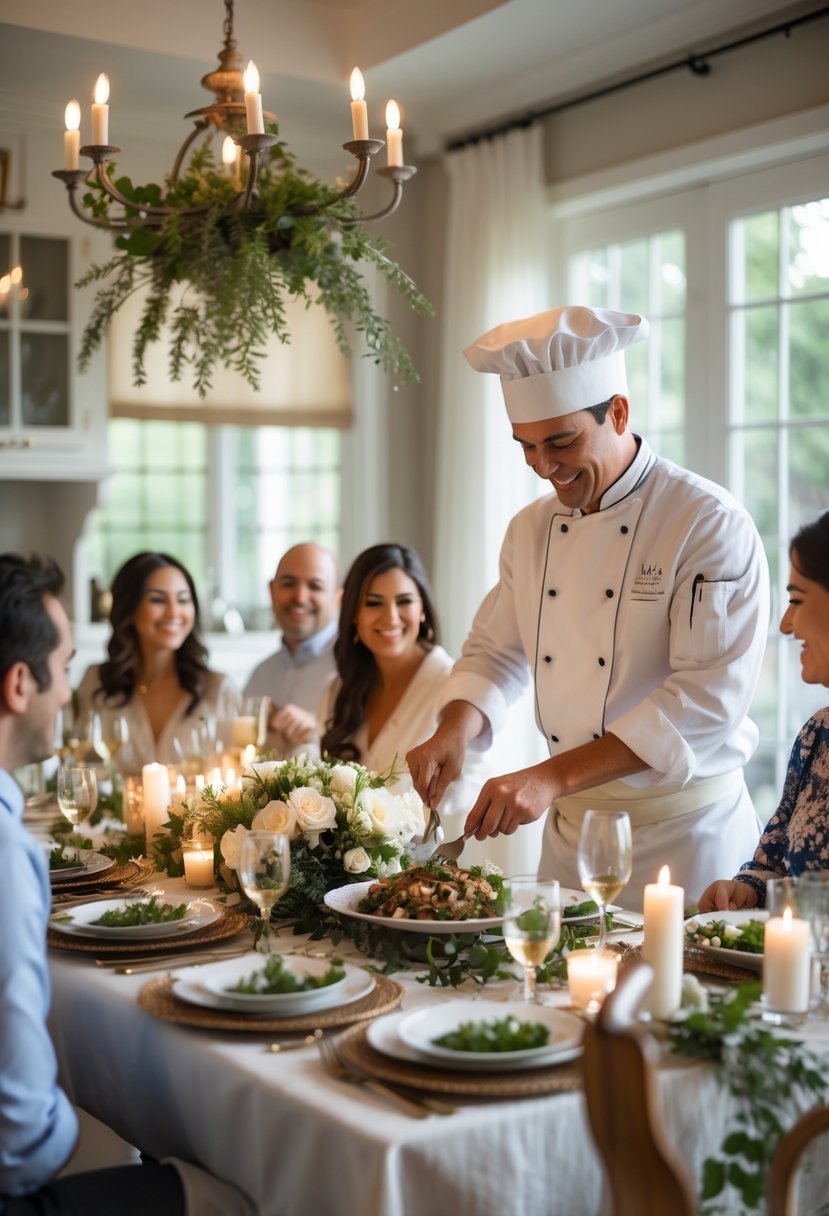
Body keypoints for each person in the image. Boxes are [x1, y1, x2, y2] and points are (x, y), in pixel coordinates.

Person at [407, 305, 770, 909]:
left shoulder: (706, 522)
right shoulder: (530, 529)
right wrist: (453, 730)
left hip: (687, 845)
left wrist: (550, 776)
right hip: (571, 843)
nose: (545, 468)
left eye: (562, 442)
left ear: (618, 413)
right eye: (526, 447)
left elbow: (706, 698)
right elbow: (496, 651)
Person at [0, 553, 253, 1214]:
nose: (65, 693)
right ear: (20, 685)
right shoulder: (6, 853)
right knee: (236, 1197)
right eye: (60, 669)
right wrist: (77, 1138)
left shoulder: (218, 687)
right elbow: (24, 1144)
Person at [699, 512, 829, 911]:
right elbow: (771, 867)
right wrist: (747, 890)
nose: (786, 625)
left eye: (797, 600)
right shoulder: (817, 736)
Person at [319, 543, 490, 838]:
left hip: (433, 870)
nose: (391, 617)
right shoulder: (337, 691)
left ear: (422, 608)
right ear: (353, 614)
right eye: (373, 603)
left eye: (404, 601)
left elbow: (471, 790)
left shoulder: (456, 688)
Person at [75, 552, 236, 769]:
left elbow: (239, 778)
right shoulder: (97, 683)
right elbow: (81, 770)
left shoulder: (218, 690)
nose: (173, 612)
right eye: (157, 599)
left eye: (183, 599)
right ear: (129, 608)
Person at [244, 543, 340, 755]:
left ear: (338, 598)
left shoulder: (358, 669)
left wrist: (319, 731)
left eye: (315, 586)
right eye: (288, 583)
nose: (300, 597)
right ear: (271, 590)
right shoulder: (259, 677)